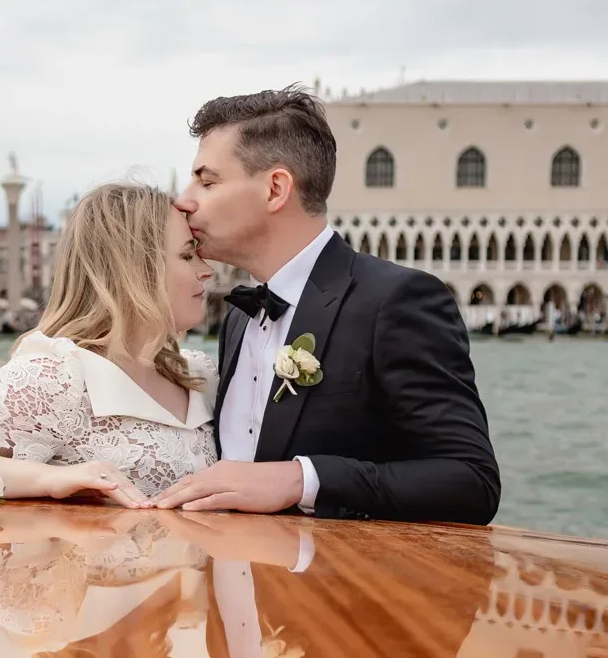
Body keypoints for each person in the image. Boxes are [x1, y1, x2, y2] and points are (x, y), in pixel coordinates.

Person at [154, 86, 500, 524]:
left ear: (275, 189)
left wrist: (302, 480)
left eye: (207, 181)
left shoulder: (395, 301)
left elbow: (472, 482)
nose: (186, 199)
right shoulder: (239, 318)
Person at [0, 182, 218, 503]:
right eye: (186, 255)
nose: (206, 271)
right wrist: (50, 478)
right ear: (134, 268)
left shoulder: (201, 375)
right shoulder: (55, 377)